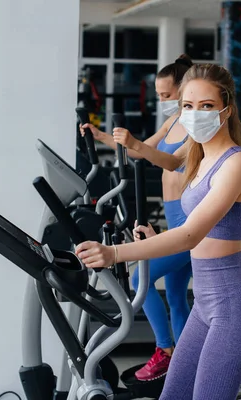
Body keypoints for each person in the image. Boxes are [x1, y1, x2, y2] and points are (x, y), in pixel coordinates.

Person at [76, 63, 241, 400]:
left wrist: (114, 254)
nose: (195, 114)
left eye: (206, 106)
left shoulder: (237, 163)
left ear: (226, 110)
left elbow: (190, 235)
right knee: (172, 394)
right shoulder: (197, 151)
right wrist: (153, 235)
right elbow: (168, 169)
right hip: (204, 302)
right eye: (188, 106)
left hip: (232, 305)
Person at [79, 54, 194, 381]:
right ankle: (185, 358)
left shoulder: (196, 131)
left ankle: (165, 350)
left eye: (166, 96)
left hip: (190, 230)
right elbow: (137, 150)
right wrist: (103, 136)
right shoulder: (172, 123)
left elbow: (167, 160)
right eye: (158, 96)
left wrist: (137, 145)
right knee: (174, 293)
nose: (161, 102)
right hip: (175, 224)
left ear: (185, 90)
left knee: (137, 280)